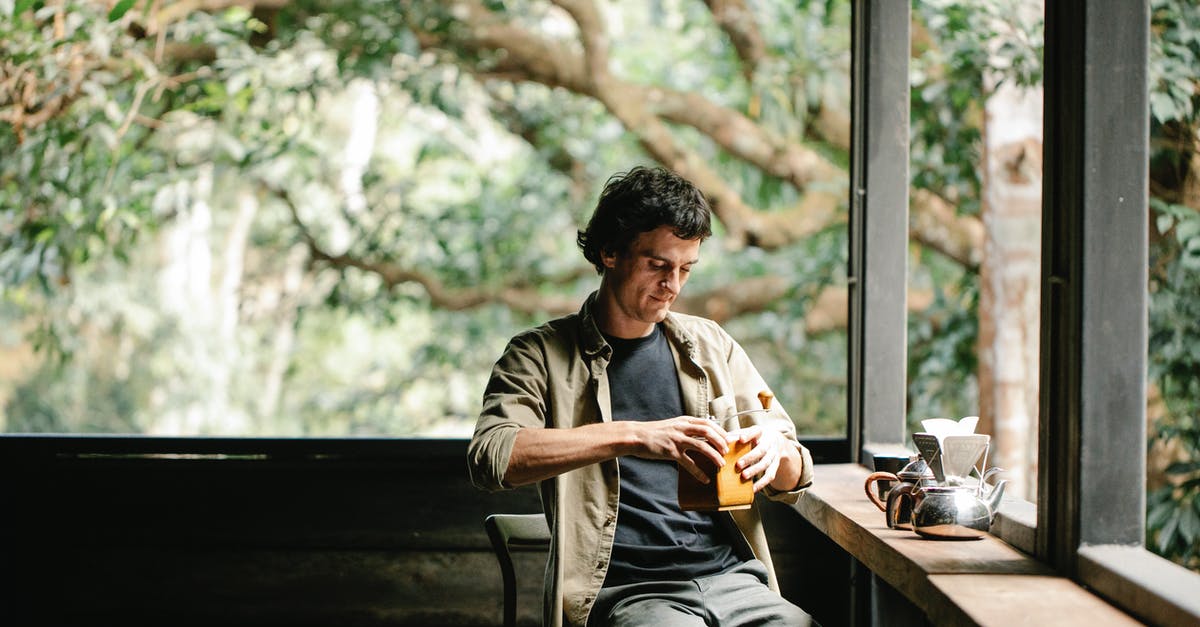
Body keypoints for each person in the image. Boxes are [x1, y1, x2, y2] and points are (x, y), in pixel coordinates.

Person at [468, 166, 816, 627]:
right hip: (629, 594)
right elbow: (492, 457)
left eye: (686, 268)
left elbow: (792, 477)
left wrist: (778, 452)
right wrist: (633, 436)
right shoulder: (539, 355)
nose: (673, 284)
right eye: (658, 265)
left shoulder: (712, 345)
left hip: (734, 580)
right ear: (610, 251)